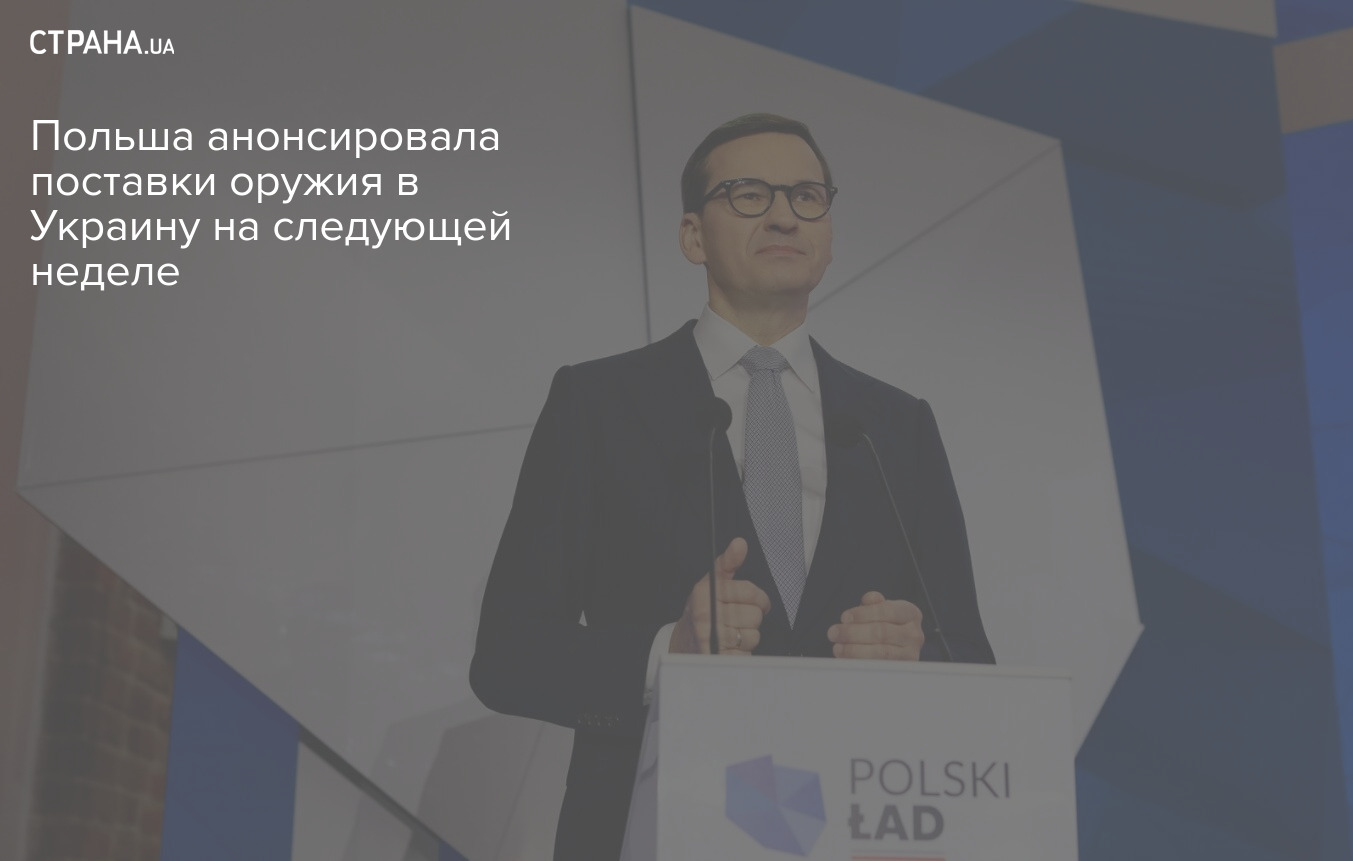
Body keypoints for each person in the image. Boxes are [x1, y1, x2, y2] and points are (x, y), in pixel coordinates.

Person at [469, 113, 993, 861]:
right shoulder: (598, 403)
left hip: (851, 832)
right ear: (693, 236)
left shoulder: (894, 425)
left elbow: (968, 656)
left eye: (807, 196)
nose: (783, 215)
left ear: (829, 234)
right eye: (749, 194)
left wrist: (913, 658)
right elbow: (507, 655)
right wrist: (668, 652)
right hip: (649, 828)